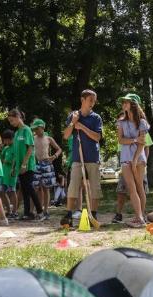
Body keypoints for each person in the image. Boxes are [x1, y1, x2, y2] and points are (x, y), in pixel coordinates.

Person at [62, 89, 103, 227]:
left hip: (92, 157)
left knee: (95, 187)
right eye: (90, 99)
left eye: (94, 100)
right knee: (73, 185)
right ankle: (68, 214)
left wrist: (82, 127)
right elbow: (66, 135)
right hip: (77, 158)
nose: (93, 103)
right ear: (82, 100)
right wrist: (73, 123)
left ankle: (94, 214)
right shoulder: (73, 115)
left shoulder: (96, 118)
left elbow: (97, 137)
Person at [116, 93, 150, 228]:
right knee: (131, 188)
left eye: (126, 102)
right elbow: (121, 140)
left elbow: (143, 143)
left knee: (139, 187)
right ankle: (139, 218)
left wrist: (135, 159)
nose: (123, 104)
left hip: (139, 158)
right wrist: (134, 140)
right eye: (123, 101)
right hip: (125, 158)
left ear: (133, 104)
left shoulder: (142, 122)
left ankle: (140, 217)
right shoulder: (120, 122)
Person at [7, 109, 43, 220]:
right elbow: (15, 152)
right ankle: (28, 213)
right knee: (24, 189)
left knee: (29, 187)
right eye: (10, 121)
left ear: (18, 117)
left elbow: (30, 148)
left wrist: (24, 164)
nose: (11, 123)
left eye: (12, 120)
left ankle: (40, 211)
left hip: (28, 165)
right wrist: (14, 166)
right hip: (19, 167)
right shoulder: (17, 133)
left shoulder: (26, 130)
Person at [30, 119, 62, 219]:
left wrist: (54, 156)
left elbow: (59, 149)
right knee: (34, 188)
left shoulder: (48, 138)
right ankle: (32, 211)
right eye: (34, 129)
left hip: (47, 164)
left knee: (46, 188)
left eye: (37, 128)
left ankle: (46, 210)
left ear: (42, 127)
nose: (35, 130)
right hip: (36, 164)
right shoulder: (33, 138)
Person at [0, 129, 19, 218]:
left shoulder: (16, 147)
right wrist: (0, 150)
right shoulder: (6, 148)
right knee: (1, 192)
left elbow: (16, 159)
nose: (5, 142)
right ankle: (9, 210)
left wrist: (12, 166)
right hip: (4, 173)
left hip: (12, 174)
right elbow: (1, 159)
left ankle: (15, 211)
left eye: (7, 140)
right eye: (4, 140)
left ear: (12, 139)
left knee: (12, 191)